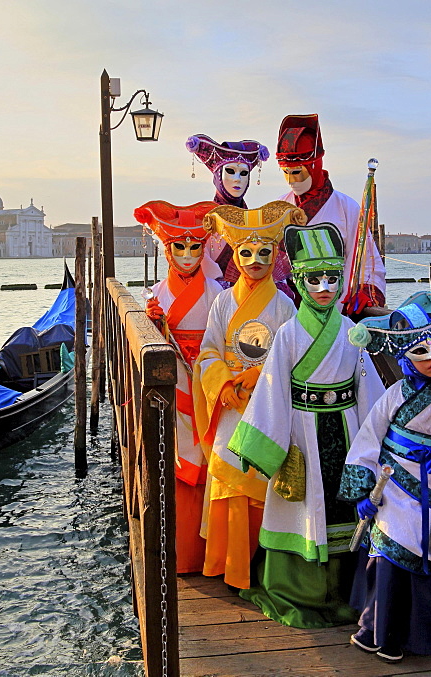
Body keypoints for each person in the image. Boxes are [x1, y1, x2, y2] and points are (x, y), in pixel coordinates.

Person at [228, 223, 386, 627]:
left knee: (348, 507)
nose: (324, 287)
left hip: (348, 431)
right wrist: (263, 447)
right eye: (314, 279)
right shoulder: (288, 335)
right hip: (302, 428)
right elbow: (273, 392)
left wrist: (381, 441)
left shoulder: (353, 334)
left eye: (332, 278)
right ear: (299, 281)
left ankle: (352, 589)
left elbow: (369, 393)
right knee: (304, 506)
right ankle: (300, 591)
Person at [338, 291, 431, 662]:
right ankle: (376, 632)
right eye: (421, 352)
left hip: (428, 493)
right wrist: (362, 488)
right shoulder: (393, 395)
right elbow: (369, 438)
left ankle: (418, 637)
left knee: (418, 555)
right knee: (387, 553)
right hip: (389, 489)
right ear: (404, 356)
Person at [193, 201, 303, 589]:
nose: (255, 260)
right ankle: (227, 562)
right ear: (235, 257)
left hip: (265, 400)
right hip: (230, 403)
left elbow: (292, 356)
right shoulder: (223, 302)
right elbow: (207, 351)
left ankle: (256, 566)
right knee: (228, 474)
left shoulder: (286, 305)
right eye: (246, 252)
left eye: (263, 252)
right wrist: (223, 385)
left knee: (261, 476)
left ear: (276, 255)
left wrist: (258, 375)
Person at [133, 200, 224, 574]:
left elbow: (224, 339)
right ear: (167, 249)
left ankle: (213, 552)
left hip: (209, 380)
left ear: (204, 249)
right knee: (176, 459)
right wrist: (154, 325)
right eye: (178, 247)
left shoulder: (218, 292)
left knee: (211, 457)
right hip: (174, 385)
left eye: (194, 247)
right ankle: (182, 552)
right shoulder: (157, 292)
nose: (187, 255)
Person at [275, 114, 386, 314]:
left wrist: (366, 292)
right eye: (286, 172)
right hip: (290, 309)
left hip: (336, 307)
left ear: (314, 166)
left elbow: (367, 260)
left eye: (297, 172)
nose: (290, 180)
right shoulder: (280, 207)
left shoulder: (347, 208)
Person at [187, 134, 296, 298]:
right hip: (212, 302)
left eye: (243, 173)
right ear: (217, 175)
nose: (237, 179)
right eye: (230, 171)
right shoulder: (202, 223)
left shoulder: (258, 222)